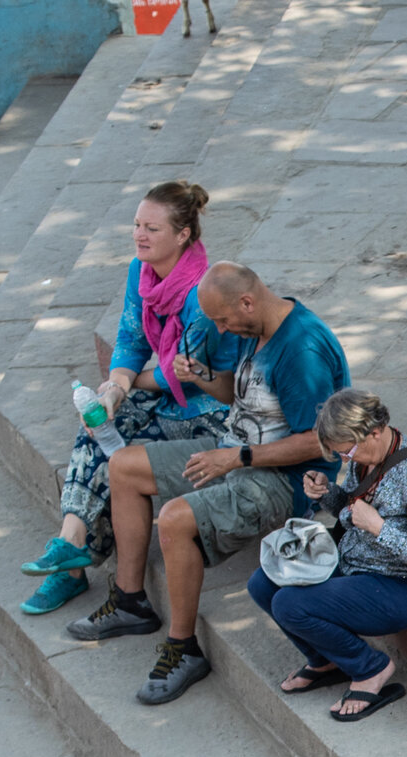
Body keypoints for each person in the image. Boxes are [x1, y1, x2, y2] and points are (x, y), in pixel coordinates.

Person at [66, 262, 350, 707]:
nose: (220, 329)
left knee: (176, 519)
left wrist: (237, 458)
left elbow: (321, 440)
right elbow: (239, 396)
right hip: (234, 450)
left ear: (247, 302)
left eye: (222, 319)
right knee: (123, 466)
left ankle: (183, 648)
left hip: (283, 481)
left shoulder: (300, 351)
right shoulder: (252, 329)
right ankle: (130, 602)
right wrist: (201, 376)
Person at [19, 181, 242, 616]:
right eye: (137, 225)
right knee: (98, 425)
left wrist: (127, 385)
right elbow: (130, 336)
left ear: (183, 235)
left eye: (152, 229)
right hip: (161, 392)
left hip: (208, 409)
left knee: (113, 439)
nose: (139, 235)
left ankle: (69, 566)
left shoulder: (204, 291)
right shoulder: (140, 273)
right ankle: (69, 545)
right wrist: (115, 385)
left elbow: (181, 370)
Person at [248, 390, 407, 723]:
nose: (346, 460)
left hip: (406, 588)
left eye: (347, 451)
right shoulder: (368, 456)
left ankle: (370, 668)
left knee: (289, 604)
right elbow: (352, 513)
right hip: (357, 566)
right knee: (263, 583)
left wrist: (380, 527)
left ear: (375, 432)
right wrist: (329, 494)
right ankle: (326, 660)